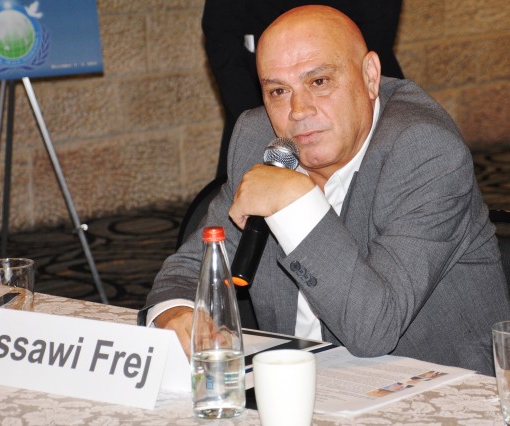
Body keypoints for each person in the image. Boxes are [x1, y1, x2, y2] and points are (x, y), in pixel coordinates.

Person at [139, 5, 510, 376]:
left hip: (435, 386)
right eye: (278, 91)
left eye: (319, 82)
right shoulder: (258, 137)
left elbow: (374, 328)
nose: (298, 110)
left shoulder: (424, 150)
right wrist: (176, 314)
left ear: (370, 76)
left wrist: (295, 204)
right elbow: (192, 268)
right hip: (304, 382)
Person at [202, 0, 405, 178]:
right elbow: (220, 31)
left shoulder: (410, 146)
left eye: (318, 81)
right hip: (260, 95)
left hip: (351, 90)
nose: (299, 111)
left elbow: (378, 23)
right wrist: (264, 117)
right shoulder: (251, 133)